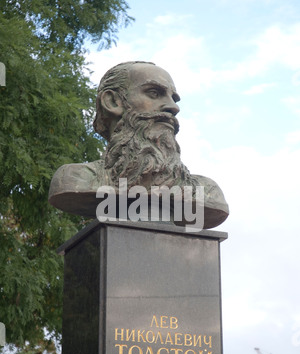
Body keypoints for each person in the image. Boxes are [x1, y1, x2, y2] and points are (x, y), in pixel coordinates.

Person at [48, 61, 229, 228]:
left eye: (173, 98)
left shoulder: (205, 191)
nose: (173, 107)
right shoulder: (76, 179)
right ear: (112, 102)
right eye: (154, 93)